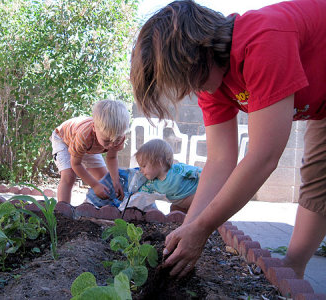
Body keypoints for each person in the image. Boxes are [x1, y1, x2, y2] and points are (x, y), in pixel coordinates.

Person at [129, 0, 326, 279]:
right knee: (319, 174)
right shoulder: (211, 82)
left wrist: (203, 228)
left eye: (188, 77)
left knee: (318, 171)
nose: (191, 89)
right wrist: (189, 227)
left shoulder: (263, 40)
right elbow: (220, 161)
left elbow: (263, 157)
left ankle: (292, 269)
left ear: (202, 49)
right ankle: (292, 273)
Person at [51, 99, 129, 204]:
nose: (111, 145)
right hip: (63, 139)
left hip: (88, 146)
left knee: (105, 179)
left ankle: (98, 208)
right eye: (107, 141)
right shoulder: (84, 135)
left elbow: (111, 158)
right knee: (69, 176)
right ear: (94, 128)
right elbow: (76, 164)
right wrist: (95, 185)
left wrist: (116, 181)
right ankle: (62, 211)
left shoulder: (117, 136)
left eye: (117, 140)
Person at [135, 139, 201, 213]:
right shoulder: (151, 183)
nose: (141, 170)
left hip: (195, 196)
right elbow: (140, 195)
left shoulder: (177, 170)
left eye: (144, 166)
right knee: (174, 212)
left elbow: (199, 172)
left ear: (159, 161)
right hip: (179, 204)